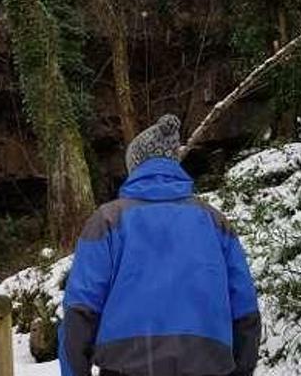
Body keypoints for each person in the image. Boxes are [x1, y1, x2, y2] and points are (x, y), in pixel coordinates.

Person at [59, 114, 261, 376]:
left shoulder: (108, 221)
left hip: (125, 368)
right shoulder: (215, 223)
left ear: (136, 166)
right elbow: (245, 310)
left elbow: (79, 311)